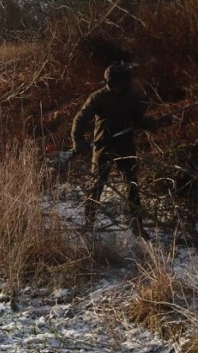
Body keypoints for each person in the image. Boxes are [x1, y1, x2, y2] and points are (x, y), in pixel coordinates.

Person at [71, 63, 167, 237]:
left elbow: (138, 119)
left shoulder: (130, 98)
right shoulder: (98, 97)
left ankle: (138, 226)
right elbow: (80, 118)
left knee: (133, 186)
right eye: (118, 82)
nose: (121, 86)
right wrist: (78, 141)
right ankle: (89, 224)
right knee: (96, 186)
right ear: (111, 81)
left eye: (124, 82)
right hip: (103, 147)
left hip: (125, 147)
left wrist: (147, 123)